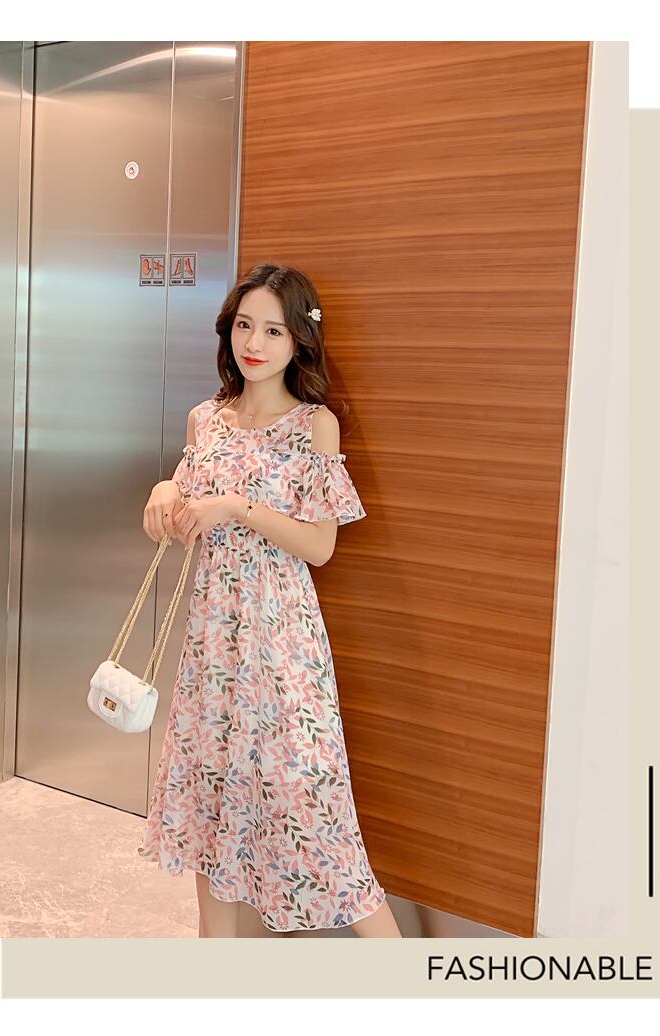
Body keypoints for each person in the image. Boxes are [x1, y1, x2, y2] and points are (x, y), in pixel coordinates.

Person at [138, 262, 401, 938]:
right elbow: (179, 513)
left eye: (274, 330)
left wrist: (236, 506)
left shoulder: (314, 426)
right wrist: (167, 492)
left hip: (283, 644)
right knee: (211, 808)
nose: (254, 343)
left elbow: (319, 546)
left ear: (299, 340)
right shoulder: (206, 420)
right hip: (212, 644)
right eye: (244, 325)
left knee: (314, 809)